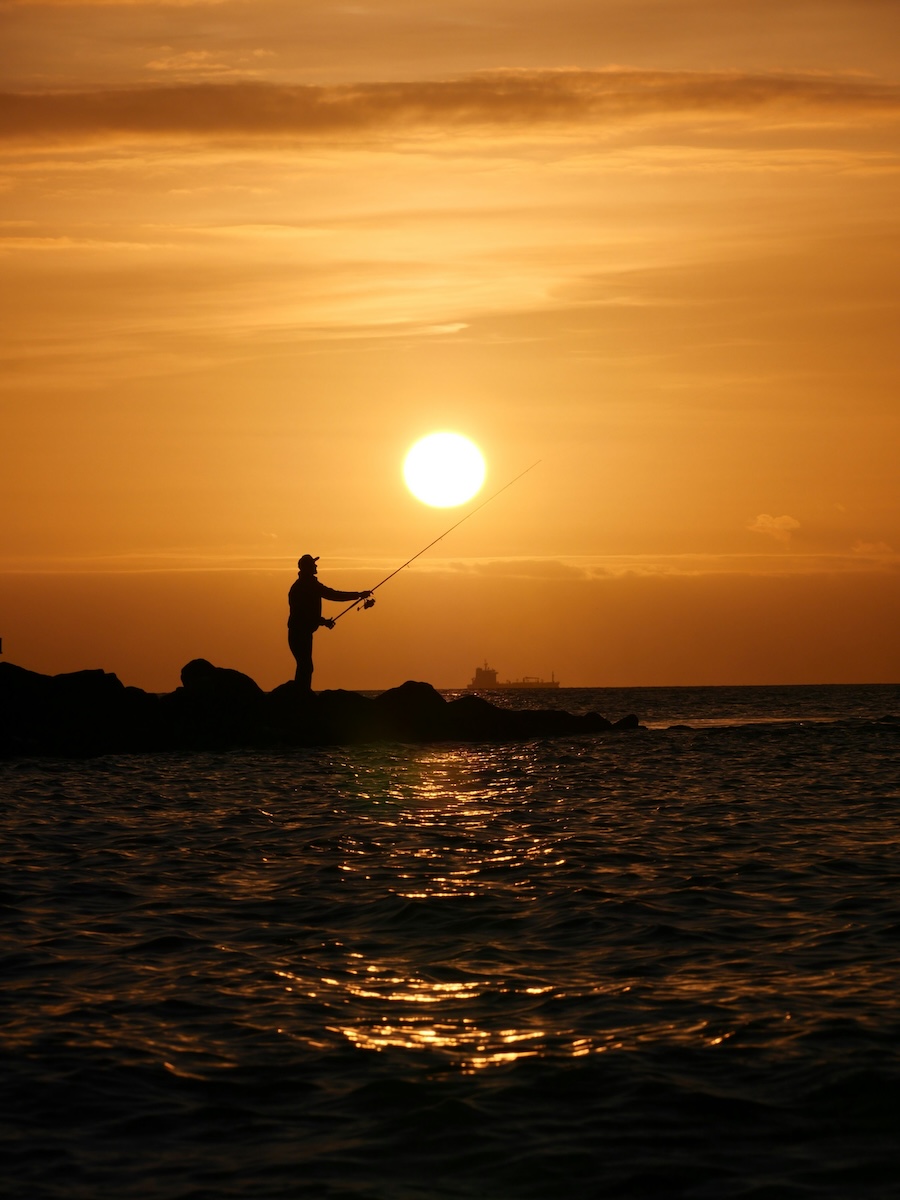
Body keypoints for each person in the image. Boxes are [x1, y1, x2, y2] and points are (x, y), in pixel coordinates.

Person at [288, 555, 371, 690]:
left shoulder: (302, 585)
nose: (316, 566)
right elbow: (333, 595)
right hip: (300, 633)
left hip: (299, 632)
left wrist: (323, 621)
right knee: (306, 665)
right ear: (308, 568)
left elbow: (304, 613)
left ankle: (301, 694)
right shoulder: (308, 585)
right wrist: (358, 594)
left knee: (305, 665)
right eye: (313, 565)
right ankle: (302, 696)